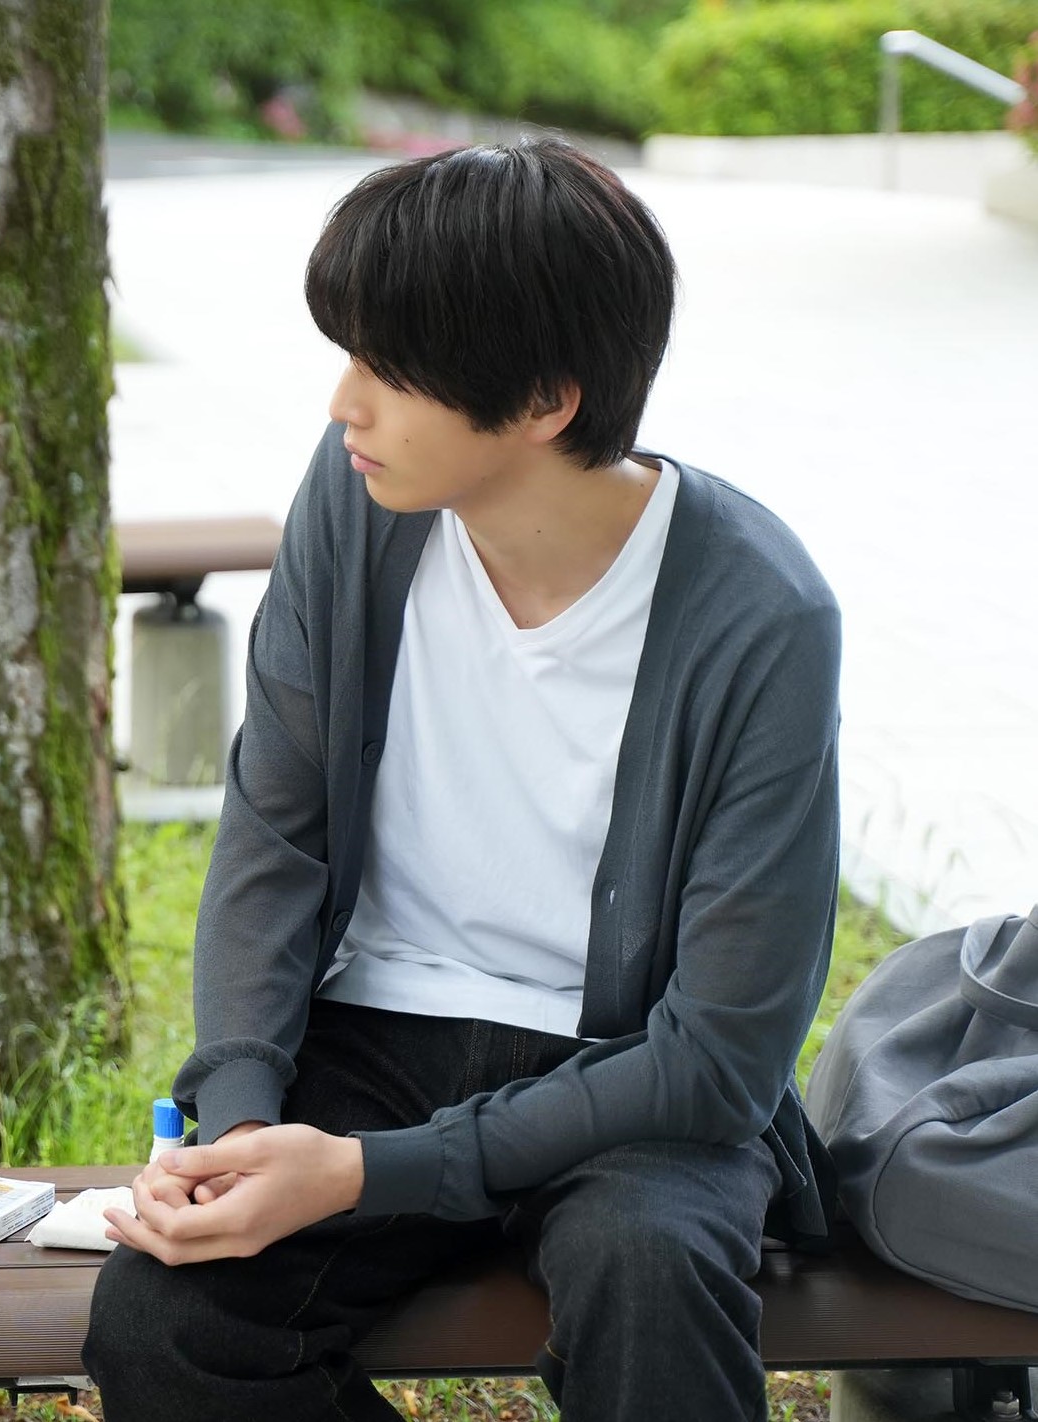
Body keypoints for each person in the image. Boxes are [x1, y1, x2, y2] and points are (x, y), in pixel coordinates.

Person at [82, 138, 842, 1421]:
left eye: (390, 371)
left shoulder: (760, 614)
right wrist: (244, 1122)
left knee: (651, 1270)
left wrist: (363, 1174)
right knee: (167, 1323)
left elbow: (721, 1058)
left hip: (630, 1080)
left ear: (544, 400)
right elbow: (274, 835)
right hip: (375, 1037)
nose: (345, 405)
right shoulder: (356, 504)